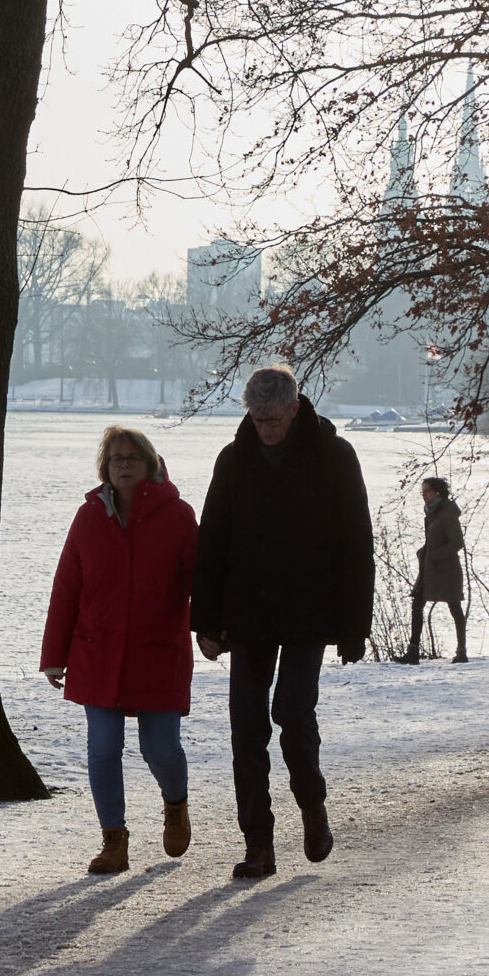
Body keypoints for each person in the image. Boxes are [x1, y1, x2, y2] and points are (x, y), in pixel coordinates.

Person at [192, 366, 375, 879]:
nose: (265, 429)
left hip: (309, 613)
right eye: (256, 419)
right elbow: (213, 541)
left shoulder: (335, 458)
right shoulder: (234, 460)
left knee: (292, 714)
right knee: (245, 729)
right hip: (247, 613)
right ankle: (258, 844)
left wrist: (354, 624)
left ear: (295, 408)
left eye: (273, 419)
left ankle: (311, 805)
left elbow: (357, 544)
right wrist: (205, 620)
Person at [40, 425, 200, 875]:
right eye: (116, 459)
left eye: (132, 458)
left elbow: (201, 584)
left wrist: (213, 632)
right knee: (102, 750)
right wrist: (54, 654)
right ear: (105, 468)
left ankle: (175, 804)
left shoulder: (179, 516)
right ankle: (114, 840)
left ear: (150, 464)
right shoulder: (89, 516)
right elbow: (67, 586)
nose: (124, 465)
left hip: (157, 654)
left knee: (161, 749)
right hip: (97, 653)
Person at [408, 477, 468, 664]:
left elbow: (457, 542)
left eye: (426, 491)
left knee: (455, 607)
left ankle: (461, 651)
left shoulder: (447, 513)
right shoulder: (432, 512)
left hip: (446, 571)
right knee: (417, 603)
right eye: (422, 492)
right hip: (430, 569)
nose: (423, 495)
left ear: (437, 493)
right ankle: (413, 652)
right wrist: (424, 552)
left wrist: (434, 555)